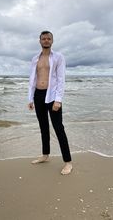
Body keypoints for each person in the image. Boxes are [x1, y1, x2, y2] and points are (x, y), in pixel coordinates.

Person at [28, 30, 72, 175]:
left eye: (48, 39)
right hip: (38, 95)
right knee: (43, 127)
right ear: (39, 41)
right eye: (43, 39)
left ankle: (68, 162)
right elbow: (32, 79)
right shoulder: (35, 58)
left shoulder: (58, 57)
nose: (46, 41)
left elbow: (61, 80)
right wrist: (30, 98)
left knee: (59, 128)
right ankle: (45, 155)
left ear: (52, 41)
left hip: (52, 96)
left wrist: (58, 100)